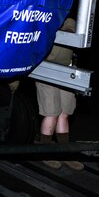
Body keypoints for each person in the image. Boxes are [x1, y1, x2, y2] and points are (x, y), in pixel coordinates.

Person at [36, 17, 84, 171]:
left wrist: (61, 31)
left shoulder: (68, 20)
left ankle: (64, 153)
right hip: (45, 69)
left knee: (64, 113)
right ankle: (45, 153)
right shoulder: (42, 18)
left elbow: (70, 30)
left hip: (65, 71)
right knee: (51, 113)